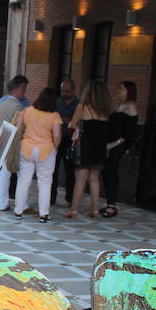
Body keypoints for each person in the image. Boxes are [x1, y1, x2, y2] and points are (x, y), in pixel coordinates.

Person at [13, 87, 62, 223]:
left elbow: (18, 129)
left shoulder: (27, 111)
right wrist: (54, 148)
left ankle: (18, 210)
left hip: (27, 147)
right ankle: (43, 213)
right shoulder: (54, 116)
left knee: (23, 180)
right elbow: (57, 135)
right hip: (46, 150)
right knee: (45, 182)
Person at [64, 80, 111, 219]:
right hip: (100, 146)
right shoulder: (106, 110)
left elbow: (71, 126)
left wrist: (77, 126)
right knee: (94, 178)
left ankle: (73, 209)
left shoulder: (83, 107)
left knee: (80, 179)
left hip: (85, 145)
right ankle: (95, 209)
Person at [100, 81, 137, 218]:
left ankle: (112, 205)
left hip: (118, 145)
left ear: (129, 91)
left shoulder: (131, 106)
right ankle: (110, 202)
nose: (118, 92)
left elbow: (130, 132)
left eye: (121, 89)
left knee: (110, 171)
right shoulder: (118, 106)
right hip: (109, 143)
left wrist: (114, 144)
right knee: (106, 172)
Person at [0, 75, 29, 212]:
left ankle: (3, 201)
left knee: (4, 172)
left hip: (2, 137)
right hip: (13, 142)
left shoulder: (2, 103)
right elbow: (21, 127)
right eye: (24, 89)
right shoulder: (18, 106)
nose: (24, 92)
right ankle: (20, 204)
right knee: (15, 172)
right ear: (18, 89)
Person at [52, 79, 79, 206]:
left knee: (70, 171)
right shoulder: (57, 102)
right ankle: (51, 198)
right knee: (53, 169)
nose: (64, 93)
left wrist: (69, 121)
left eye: (67, 91)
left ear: (73, 91)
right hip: (57, 138)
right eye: (62, 91)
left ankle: (69, 198)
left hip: (70, 140)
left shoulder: (78, 104)